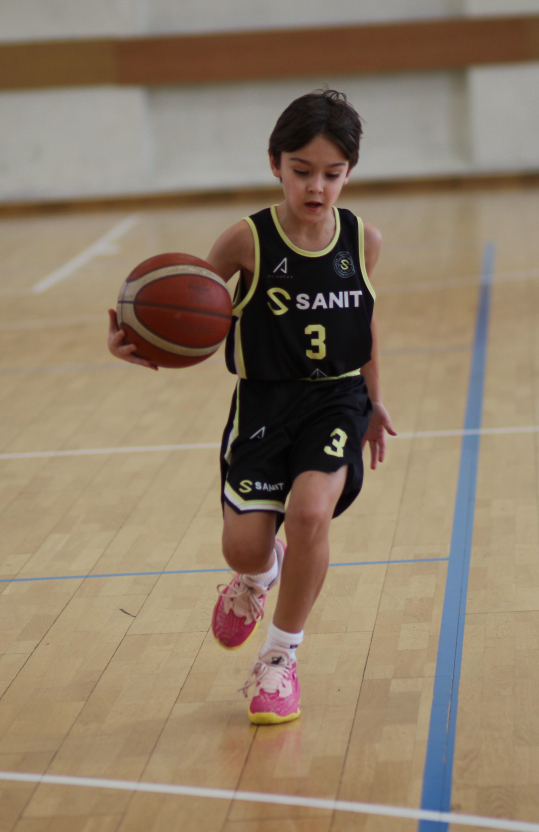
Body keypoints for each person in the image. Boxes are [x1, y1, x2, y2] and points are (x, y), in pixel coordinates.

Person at [108, 89, 395, 724]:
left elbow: (366, 325)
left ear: (350, 172)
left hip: (337, 399)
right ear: (275, 164)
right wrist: (140, 338)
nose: (316, 187)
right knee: (242, 546)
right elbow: (191, 308)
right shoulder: (246, 241)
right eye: (302, 171)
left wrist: (375, 402)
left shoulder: (362, 240)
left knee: (310, 513)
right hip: (264, 402)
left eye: (332, 174)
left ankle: (279, 659)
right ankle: (257, 575)